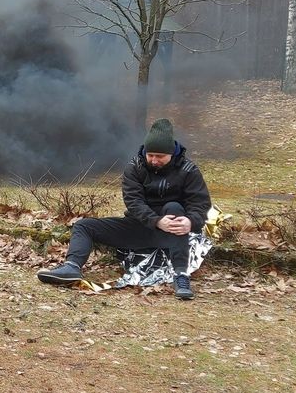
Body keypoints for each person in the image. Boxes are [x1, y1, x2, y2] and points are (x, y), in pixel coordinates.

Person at [37, 118, 211, 300]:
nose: (154, 160)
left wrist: (190, 221)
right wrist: (156, 221)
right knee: (84, 226)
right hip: (140, 226)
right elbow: (133, 202)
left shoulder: (188, 170)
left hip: (174, 232)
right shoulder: (135, 167)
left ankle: (181, 276)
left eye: (160, 156)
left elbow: (200, 203)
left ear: (171, 154)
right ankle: (72, 267)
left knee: (173, 207)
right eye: (150, 155)